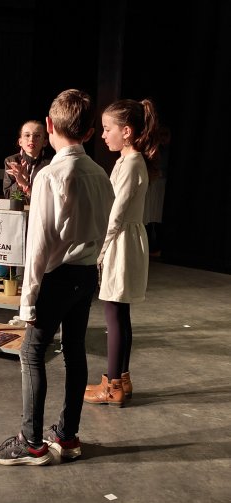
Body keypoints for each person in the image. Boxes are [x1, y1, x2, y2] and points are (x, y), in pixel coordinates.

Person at [0, 89, 115, 466]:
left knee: (32, 353)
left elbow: (38, 247)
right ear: (89, 132)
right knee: (74, 350)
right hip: (86, 275)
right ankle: (68, 437)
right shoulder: (100, 174)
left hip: (57, 278)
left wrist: (27, 303)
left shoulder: (50, 175)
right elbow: (106, 230)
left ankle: (31, 442)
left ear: (48, 125)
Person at [84, 98, 160, 408]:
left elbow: (115, 215)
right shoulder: (127, 161)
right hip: (125, 239)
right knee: (119, 313)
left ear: (126, 131)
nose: (103, 135)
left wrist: (99, 250)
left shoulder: (130, 164)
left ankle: (112, 385)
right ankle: (121, 379)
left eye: (107, 129)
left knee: (114, 314)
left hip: (121, 242)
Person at [3, 120, 51, 203]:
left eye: (37, 136)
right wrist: (19, 183)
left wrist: (25, 183)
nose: (31, 139)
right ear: (20, 142)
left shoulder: (51, 163)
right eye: (27, 135)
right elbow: (8, 196)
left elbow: (49, 198)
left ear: (45, 142)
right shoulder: (11, 161)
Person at [144, 124, 171, 257]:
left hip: (162, 184)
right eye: (161, 136)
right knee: (149, 216)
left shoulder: (167, 152)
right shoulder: (155, 150)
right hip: (153, 184)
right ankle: (149, 247)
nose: (163, 139)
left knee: (158, 216)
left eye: (166, 136)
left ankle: (158, 248)